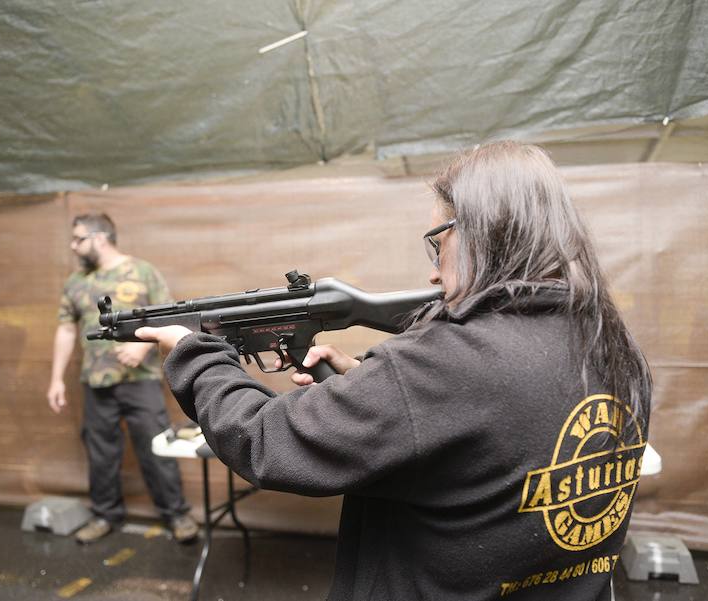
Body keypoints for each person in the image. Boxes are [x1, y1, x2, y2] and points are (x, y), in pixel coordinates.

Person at [138, 142, 652, 600]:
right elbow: (486, 453)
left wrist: (194, 354)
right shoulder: (614, 345)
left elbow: (268, 440)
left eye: (439, 239)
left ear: (482, 230)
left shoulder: (448, 361)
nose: (433, 267)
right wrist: (373, 388)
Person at [47, 212, 198, 544]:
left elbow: (169, 319)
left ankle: (176, 515)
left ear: (100, 238)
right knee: (100, 452)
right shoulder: (75, 282)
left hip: (139, 381)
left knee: (157, 448)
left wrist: (141, 350)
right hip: (95, 382)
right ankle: (104, 515)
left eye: (78, 239)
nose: (73, 246)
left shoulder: (142, 272)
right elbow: (65, 328)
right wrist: (57, 379)